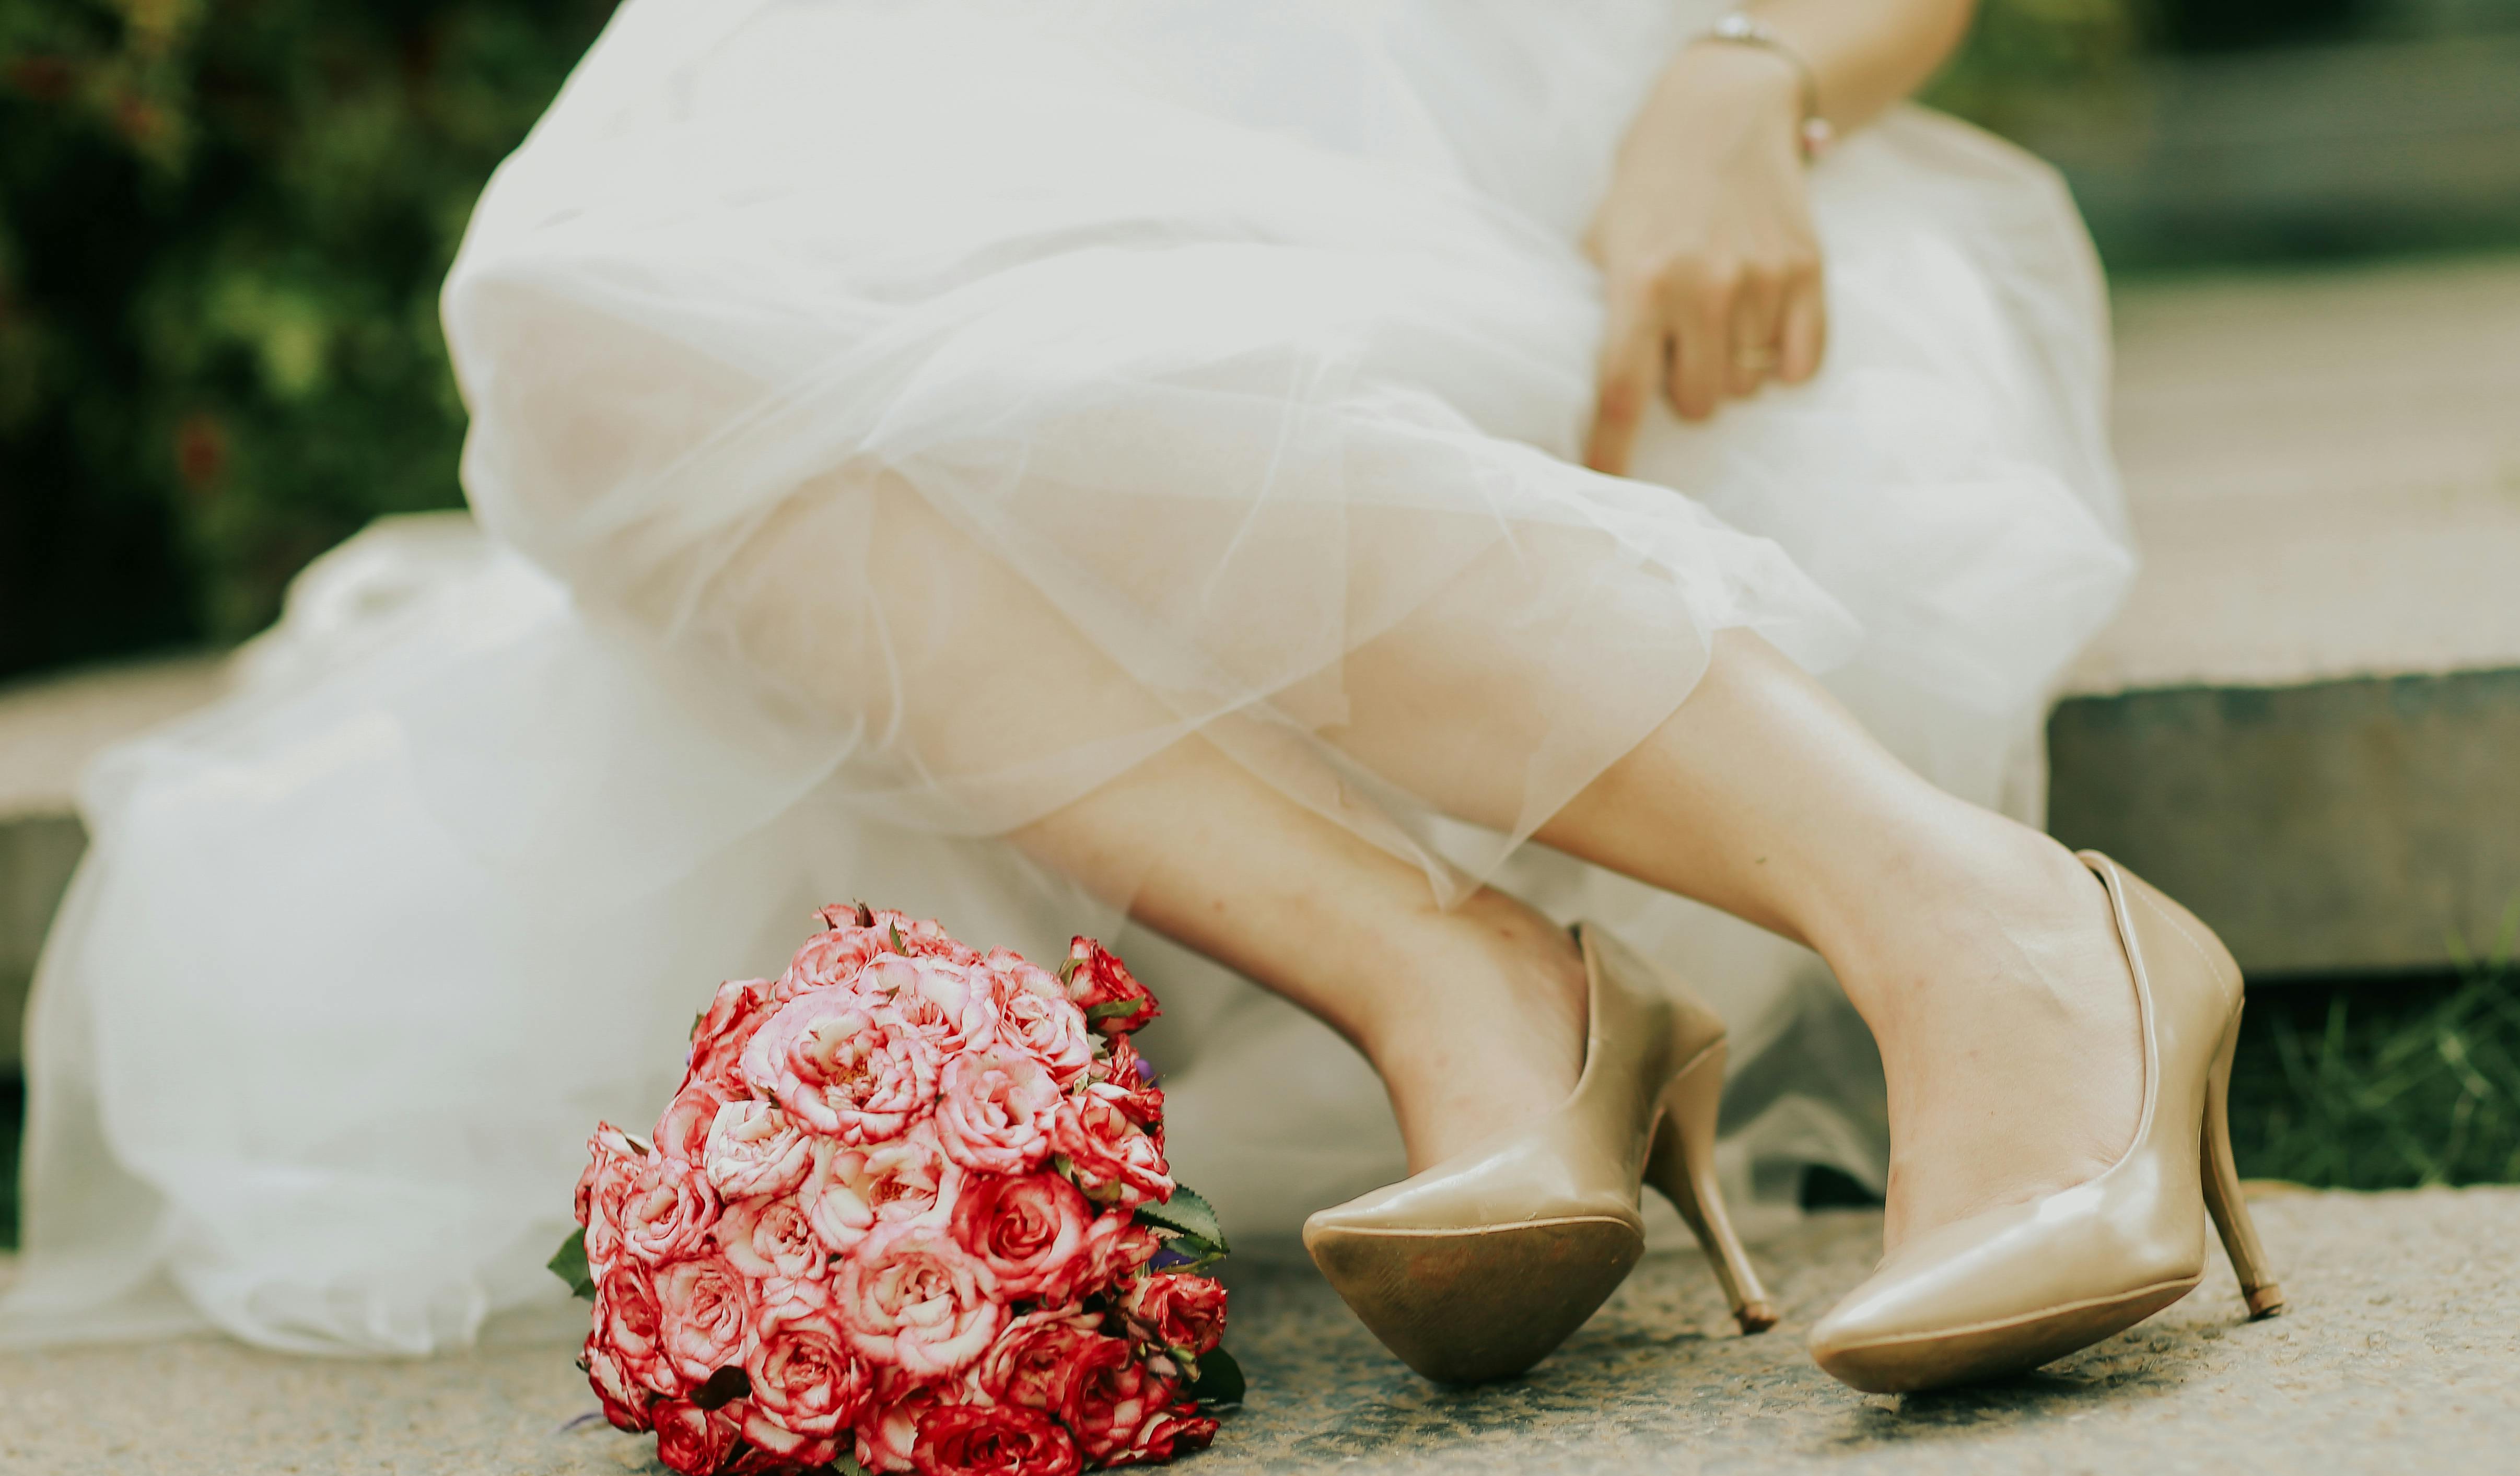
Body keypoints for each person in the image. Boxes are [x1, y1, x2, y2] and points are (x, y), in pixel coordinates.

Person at [5, 0, 2281, 1383]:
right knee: (578, 303)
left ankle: (1978, 931)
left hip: (1516, 132)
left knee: (1048, 348)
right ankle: (1453, 975)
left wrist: (1747, 71)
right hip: (979, 98)